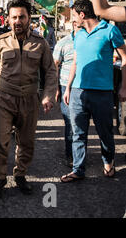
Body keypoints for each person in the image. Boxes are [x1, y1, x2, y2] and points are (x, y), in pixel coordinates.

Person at [0, 0, 57, 199]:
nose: (17, 21)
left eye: (22, 17)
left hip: (29, 99)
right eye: (14, 17)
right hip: (4, 98)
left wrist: (48, 95)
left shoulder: (40, 44)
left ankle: (20, 174)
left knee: (26, 142)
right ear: (9, 19)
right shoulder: (1, 42)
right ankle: (0, 176)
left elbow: (50, 71)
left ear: (29, 18)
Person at [61, 0, 126, 182]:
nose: (73, 20)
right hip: (77, 92)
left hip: (102, 93)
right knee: (78, 133)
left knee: (105, 133)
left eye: (74, 16)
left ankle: (108, 162)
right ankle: (78, 169)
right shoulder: (79, 34)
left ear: (82, 15)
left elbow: (125, 58)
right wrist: (67, 88)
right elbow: (75, 61)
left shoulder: (110, 30)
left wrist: (123, 87)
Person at [53, 21, 80, 167]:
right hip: (66, 87)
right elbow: (54, 66)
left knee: (80, 124)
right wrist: (56, 88)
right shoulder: (63, 43)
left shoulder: (88, 41)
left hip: (84, 87)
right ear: (74, 24)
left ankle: (80, 154)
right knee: (70, 123)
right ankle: (71, 155)